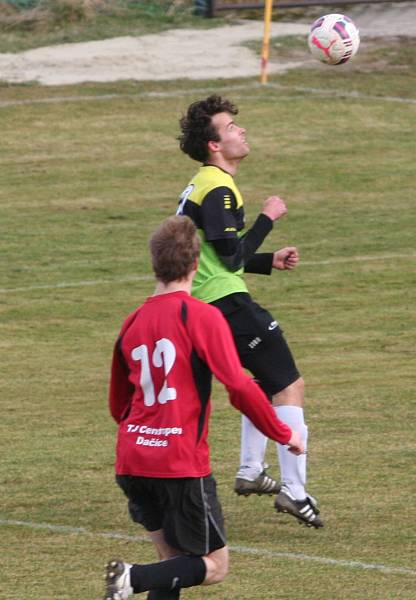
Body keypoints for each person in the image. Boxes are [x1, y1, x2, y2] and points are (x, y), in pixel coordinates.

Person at [105, 216, 305, 600]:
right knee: (214, 565)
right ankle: (133, 578)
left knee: (173, 565)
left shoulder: (132, 321)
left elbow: (118, 405)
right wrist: (285, 434)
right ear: (196, 264)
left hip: (132, 459)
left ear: (154, 264)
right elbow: (240, 387)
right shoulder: (201, 315)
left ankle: (141, 579)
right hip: (178, 461)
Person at [176, 95, 322, 527]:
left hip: (203, 303)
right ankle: (294, 491)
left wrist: (268, 259)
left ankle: (251, 470)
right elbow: (232, 258)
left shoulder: (201, 183)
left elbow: (218, 253)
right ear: (214, 145)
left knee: (258, 382)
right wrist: (267, 218)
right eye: (231, 127)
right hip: (224, 303)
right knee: (288, 384)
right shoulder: (218, 187)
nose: (240, 130)